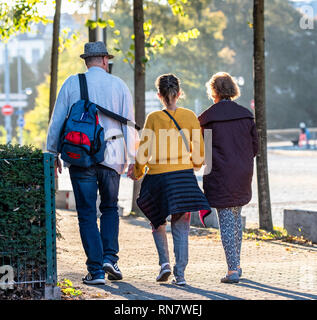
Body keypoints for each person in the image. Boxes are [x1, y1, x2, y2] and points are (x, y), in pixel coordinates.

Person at [46, 41, 138, 285]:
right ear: (105, 60)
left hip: (81, 156)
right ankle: (110, 258)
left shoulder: (71, 83)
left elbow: (57, 121)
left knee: (86, 213)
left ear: (86, 60)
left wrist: (52, 152)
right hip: (113, 155)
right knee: (109, 207)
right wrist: (134, 158)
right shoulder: (118, 85)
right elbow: (129, 122)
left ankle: (96, 271)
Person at [128, 74, 211, 286]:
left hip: (157, 179)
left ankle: (164, 264)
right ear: (179, 93)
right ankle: (180, 275)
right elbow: (200, 154)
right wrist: (192, 164)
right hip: (182, 178)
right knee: (181, 225)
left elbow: (143, 151)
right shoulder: (190, 116)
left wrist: (137, 171)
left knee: (157, 221)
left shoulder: (154, 118)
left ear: (159, 95)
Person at [198, 72, 258, 284]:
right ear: (232, 89)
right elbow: (255, 147)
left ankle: (232, 269)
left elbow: (202, 153)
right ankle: (237, 264)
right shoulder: (246, 115)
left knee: (226, 221)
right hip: (242, 172)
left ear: (213, 91)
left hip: (220, 174)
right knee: (235, 218)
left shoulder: (206, 118)